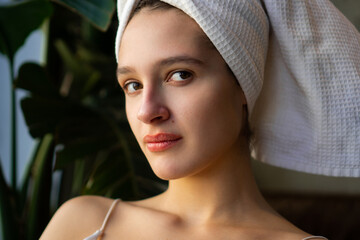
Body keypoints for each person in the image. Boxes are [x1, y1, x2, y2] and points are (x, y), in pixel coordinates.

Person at [41, 0, 360, 239]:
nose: (147, 111)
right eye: (133, 85)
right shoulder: (84, 224)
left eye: (180, 75)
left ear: (243, 84)